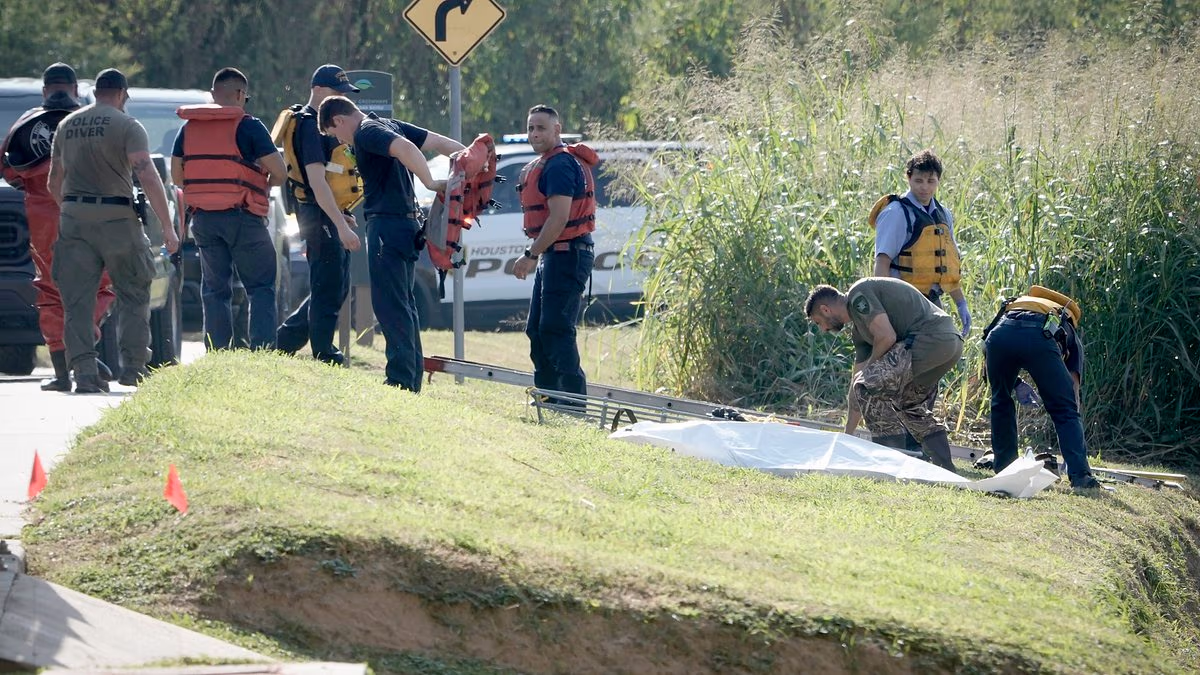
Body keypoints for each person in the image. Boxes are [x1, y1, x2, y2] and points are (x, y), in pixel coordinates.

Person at [47, 68, 179, 392]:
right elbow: (146, 174)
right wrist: (167, 226)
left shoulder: (67, 125)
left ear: (95, 92)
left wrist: (71, 210)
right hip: (118, 220)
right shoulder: (127, 125)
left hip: (74, 217)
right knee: (133, 292)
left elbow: (54, 181)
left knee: (77, 300)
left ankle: (85, 373)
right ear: (122, 94)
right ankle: (133, 367)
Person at [318, 95, 461, 391]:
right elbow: (437, 142)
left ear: (340, 121)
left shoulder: (367, 131)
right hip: (405, 225)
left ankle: (400, 380)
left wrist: (430, 183)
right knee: (404, 304)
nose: (342, 142)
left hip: (388, 225)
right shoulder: (388, 124)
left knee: (390, 305)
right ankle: (410, 378)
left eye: (336, 134)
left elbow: (407, 148)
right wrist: (471, 159)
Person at [0, 63, 116, 390]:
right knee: (99, 285)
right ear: (77, 90)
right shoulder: (96, 121)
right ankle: (85, 352)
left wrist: (38, 189)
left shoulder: (24, 124)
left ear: (44, 90)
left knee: (50, 291)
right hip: (93, 212)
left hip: (43, 220)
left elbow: (8, 170)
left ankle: (64, 373)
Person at [172, 67, 285, 350]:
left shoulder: (189, 129)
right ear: (240, 94)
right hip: (243, 217)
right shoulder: (249, 126)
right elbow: (280, 172)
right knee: (260, 286)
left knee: (214, 289)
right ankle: (262, 350)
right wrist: (261, 183)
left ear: (212, 95)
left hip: (205, 221)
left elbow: (177, 177)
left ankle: (218, 350)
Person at [868, 148, 972, 454]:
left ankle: (916, 439)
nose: (924, 187)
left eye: (930, 180)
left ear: (938, 181)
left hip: (931, 305)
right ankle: (893, 440)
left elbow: (947, 266)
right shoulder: (896, 212)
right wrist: (884, 308)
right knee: (899, 372)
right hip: (902, 305)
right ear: (908, 178)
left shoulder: (943, 214)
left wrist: (960, 303)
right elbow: (882, 263)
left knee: (927, 371)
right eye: (918, 180)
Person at [805, 278, 963, 472]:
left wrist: (869, 372)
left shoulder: (858, 295)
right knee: (909, 405)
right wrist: (848, 434)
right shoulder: (860, 332)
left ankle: (887, 462)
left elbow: (887, 337)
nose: (823, 329)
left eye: (819, 322)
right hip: (950, 344)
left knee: (868, 384)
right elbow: (857, 384)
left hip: (930, 339)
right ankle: (944, 465)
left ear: (825, 310)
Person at [275, 65, 363, 365]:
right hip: (316, 212)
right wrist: (339, 224)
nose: (341, 98)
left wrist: (340, 215)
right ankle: (324, 352)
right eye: (337, 92)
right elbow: (316, 179)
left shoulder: (318, 122)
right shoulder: (311, 126)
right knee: (327, 285)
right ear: (318, 90)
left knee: (336, 285)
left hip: (328, 211)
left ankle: (283, 343)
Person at [509, 105, 597, 404]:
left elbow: (558, 218)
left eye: (541, 128)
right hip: (554, 255)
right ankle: (547, 398)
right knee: (537, 328)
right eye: (531, 127)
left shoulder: (559, 165)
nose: (535, 133)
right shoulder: (544, 163)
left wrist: (531, 255)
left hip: (568, 254)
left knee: (556, 328)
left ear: (557, 130)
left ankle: (572, 403)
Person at [982, 285, 1110, 491]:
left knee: (1000, 400)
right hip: (1040, 337)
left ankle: (1005, 470)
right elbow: (1073, 390)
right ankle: (1081, 477)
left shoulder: (1014, 305)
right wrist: (1074, 443)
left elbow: (988, 348)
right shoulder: (1065, 322)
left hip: (1000, 335)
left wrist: (1013, 384)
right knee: (1064, 409)